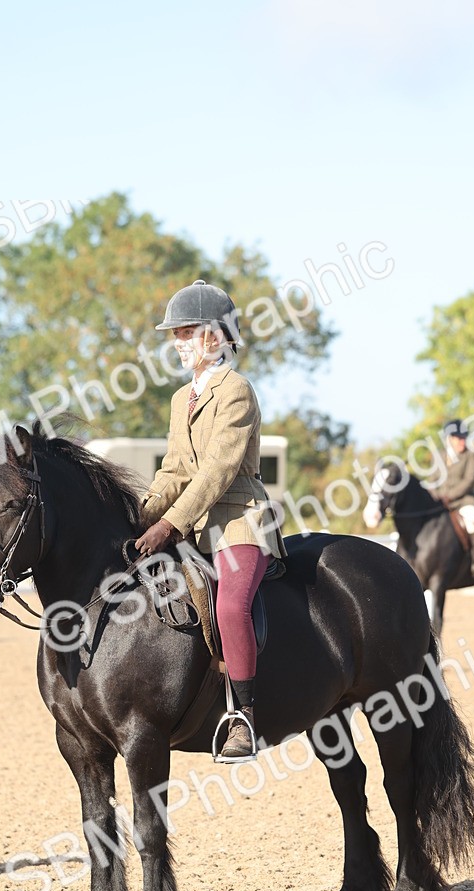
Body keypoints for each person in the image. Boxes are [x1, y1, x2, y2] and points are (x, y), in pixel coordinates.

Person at [134, 279, 286, 760]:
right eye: (175, 335)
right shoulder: (183, 400)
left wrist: (171, 525)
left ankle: (243, 716)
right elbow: (176, 469)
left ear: (215, 337)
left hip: (240, 520)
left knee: (229, 606)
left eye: (185, 333)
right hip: (197, 524)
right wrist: (139, 516)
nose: (177, 343)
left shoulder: (236, 390)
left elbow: (218, 471)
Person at [435, 419, 474, 578]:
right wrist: (435, 495)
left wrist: (449, 496)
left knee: (472, 520)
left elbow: (469, 480)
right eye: (459, 438)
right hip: (440, 501)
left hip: (464, 500)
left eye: (464, 437)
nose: (462, 441)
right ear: (449, 439)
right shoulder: (440, 456)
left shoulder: (470, 455)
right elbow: (432, 480)